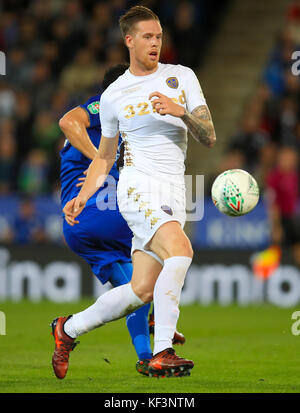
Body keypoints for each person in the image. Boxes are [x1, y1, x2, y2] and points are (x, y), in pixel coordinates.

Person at [53, 5, 216, 379]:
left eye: (159, 36)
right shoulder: (114, 95)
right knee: (181, 250)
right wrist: (83, 196)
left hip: (174, 190)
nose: (155, 43)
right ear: (129, 40)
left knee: (140, 290)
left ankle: (67, 329)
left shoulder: (182, 77)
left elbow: (208, 136)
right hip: (138, 187)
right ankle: (161, 352)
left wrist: (181, 112)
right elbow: (105, 157)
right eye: (147, 36)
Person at [53, 63, 184, 379]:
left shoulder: (123, 128)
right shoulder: (101, 108)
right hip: (95, 215)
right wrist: (100, 159)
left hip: (89, 226)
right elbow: (68, 121)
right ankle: (152, 332)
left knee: (137, 291)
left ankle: (145, 349)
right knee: (158, 269)